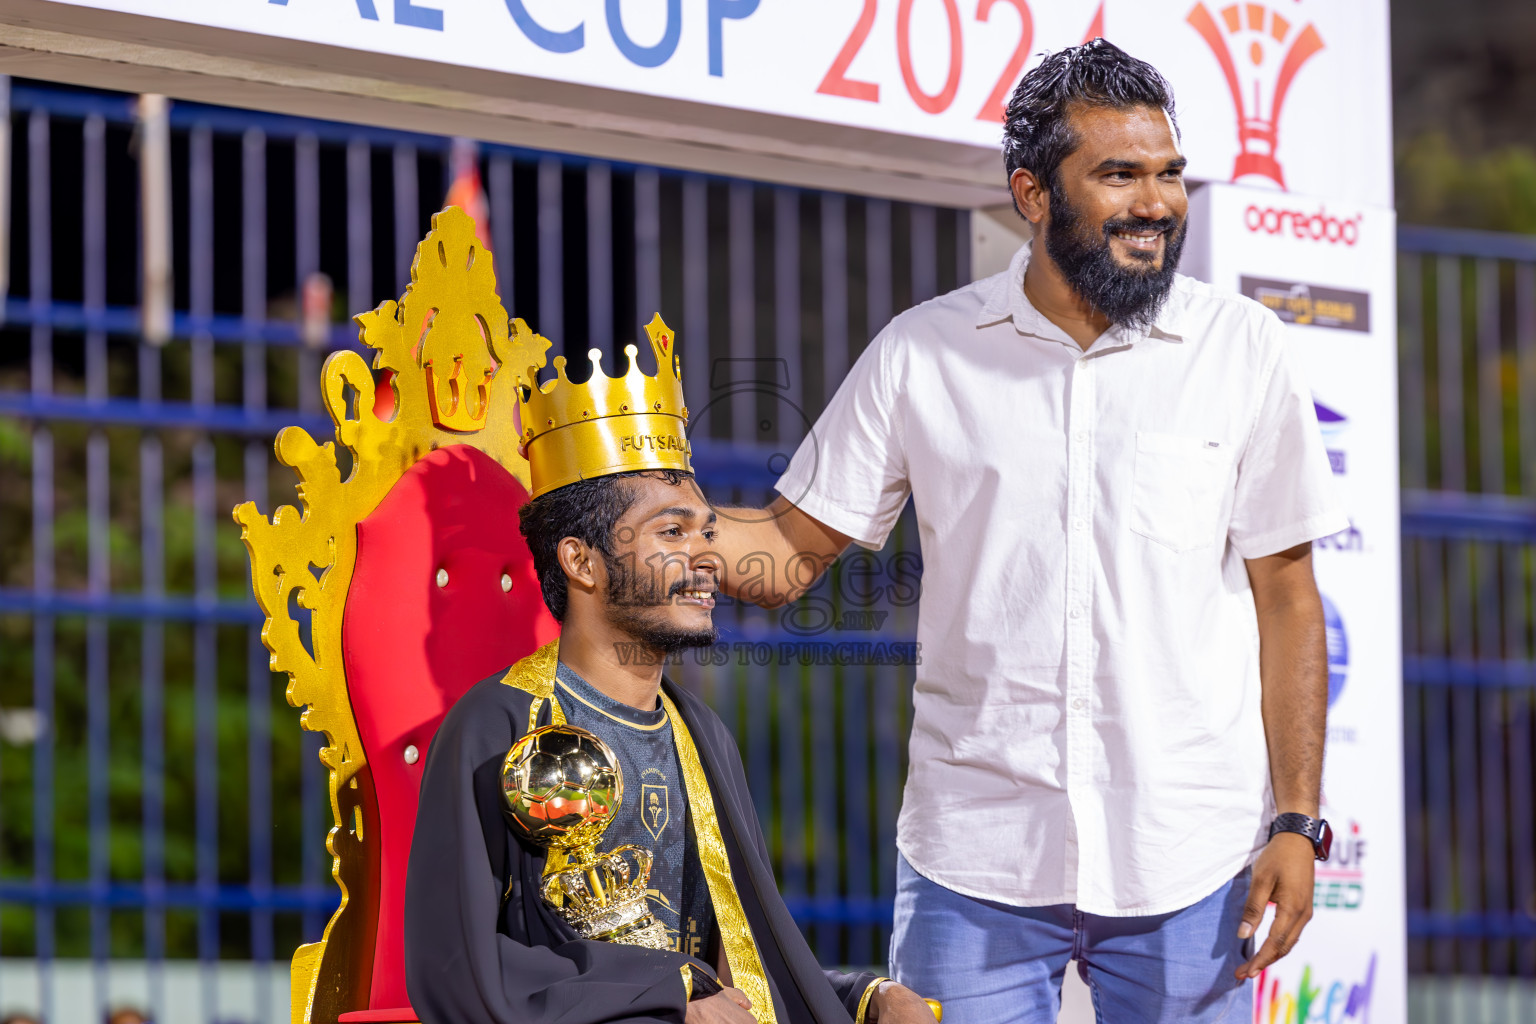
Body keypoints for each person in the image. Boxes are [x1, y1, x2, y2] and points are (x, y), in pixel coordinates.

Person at [710, 39, 1346, 1024]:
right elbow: (788, 552)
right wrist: (643, 518)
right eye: (1119, 174)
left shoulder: (1241, 348)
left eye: (1170, 174)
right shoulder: (925, 351)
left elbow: (1290, 596)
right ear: (1033, 194)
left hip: (1192, 855)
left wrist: (1297, 821)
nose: (1157, 202)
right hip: (975, 857)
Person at [403, 323, 935, 1024]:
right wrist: (667, 999)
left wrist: (865, 997)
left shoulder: (700, 733)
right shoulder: (496, 725)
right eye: (672, 533)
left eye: (706, 534)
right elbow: (458, 970)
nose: (705, 559)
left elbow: (740, 964)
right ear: (581, 561)